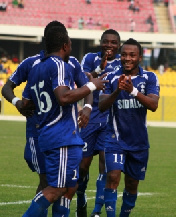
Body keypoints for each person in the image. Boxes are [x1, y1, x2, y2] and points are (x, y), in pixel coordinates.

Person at [2, 20, 93, 217]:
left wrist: (87, 107)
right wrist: (18, 102)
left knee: (67, 187)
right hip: (40, 131)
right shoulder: (32, 63)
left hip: (64, 131)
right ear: (63, 42)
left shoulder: (72, 63)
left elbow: (84, 85)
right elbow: (7, 87)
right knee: (50, 184)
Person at [21, 25, 107, 217]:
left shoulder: (36, 69)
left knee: (68, 189)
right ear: (66, 46)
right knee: (56, 190)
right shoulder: (59, 64)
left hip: (51, 134)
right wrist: (93, 85)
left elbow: (26, 102)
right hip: (61, 137)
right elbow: (64, 97)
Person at [98, 38, 160, 217]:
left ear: (139, 57)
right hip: (115, 138)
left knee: (132, 185)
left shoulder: (149, 77)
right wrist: (118, 90)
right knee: (112, 178)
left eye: (132, 55)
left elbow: (153, 105)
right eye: (124, 54)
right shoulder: (111, 76)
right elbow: (102, 105)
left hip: (139, 142)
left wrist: (133, 90)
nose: (127, 58)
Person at [76, 29, 122, 217]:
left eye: (113, 42)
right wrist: (98, 69)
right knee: (83, 166)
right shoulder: (89, 58)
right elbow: (81, 80)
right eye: (106, 42)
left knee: (105, 162)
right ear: (100, 42)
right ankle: (80, 195)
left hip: (110, 119)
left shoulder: (122, 61)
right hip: (90, 116)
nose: (109, 45)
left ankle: (96, 211)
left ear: (118, 45)